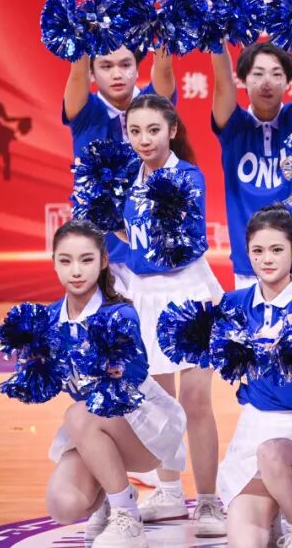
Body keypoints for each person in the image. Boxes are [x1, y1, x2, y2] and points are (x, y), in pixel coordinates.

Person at [118, 94, 225, 536]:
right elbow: (130, 235)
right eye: (135, 131)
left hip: (188, 293)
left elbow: (179, 245)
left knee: (195, 401)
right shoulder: (127, 176)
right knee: (160, 403)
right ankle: (168, 491)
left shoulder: (188, 176)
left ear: (172, 131)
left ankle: (208, 500)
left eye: (153, 130)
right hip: (144, 295)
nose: (144, 139)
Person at [42, 220, 186, 548]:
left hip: (144, 427)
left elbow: (132, 379)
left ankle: (127, 517)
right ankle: (114, 493)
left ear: (104, 260)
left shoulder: (119, 314)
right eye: (65, 260)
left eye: (86, 259)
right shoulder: (49, 319)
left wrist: (115, 369)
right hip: (94, 428)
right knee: (64, 504)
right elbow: (48, 384)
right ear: (54, 263)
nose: (76, 270)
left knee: (77, 413)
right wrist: (35, 368)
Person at [215, 205, 292, 548]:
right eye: (258, 251)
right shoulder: (235, 304)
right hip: (251, 431)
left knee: (272, 454)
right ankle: (274, 516)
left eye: (277, 249)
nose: (266, 259)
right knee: (243, 544)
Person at [210, 40, 292, 290]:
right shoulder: (233, 126)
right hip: (250, 265)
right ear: (243, 79)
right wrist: (216, 35)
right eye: (258, 74)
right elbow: (222, 82)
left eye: (276, 74)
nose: (267, 82)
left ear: (289, 81)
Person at [61, 46, 175, 290]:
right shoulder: (85, 110)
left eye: (125, 65)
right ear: (92, 73)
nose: (117, 74)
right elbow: (77, 72)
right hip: (98, 254)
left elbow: (164, 68)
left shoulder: (154, 105)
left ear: (137, 68)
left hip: (153, 250)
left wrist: (163, 33)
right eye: (106, 66)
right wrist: (81, 34)